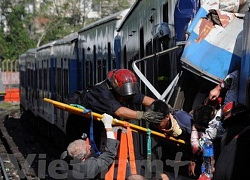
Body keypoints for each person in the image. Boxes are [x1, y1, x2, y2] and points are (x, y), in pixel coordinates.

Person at [61, 113, 119, 179]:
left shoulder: (64, 156)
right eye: (88, 149)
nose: (90, 146)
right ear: (82, 159)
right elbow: (110, 154)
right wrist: (108, 126)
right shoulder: (87, 169)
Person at [148, 99, 195, 180]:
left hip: (190, 152)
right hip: (170, 154)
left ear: (167, 116)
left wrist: (193, 160)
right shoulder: (153, 127)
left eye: (158, 122)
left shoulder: (184, 120)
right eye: (153, 122)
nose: (155, 125)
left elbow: (200, 141)